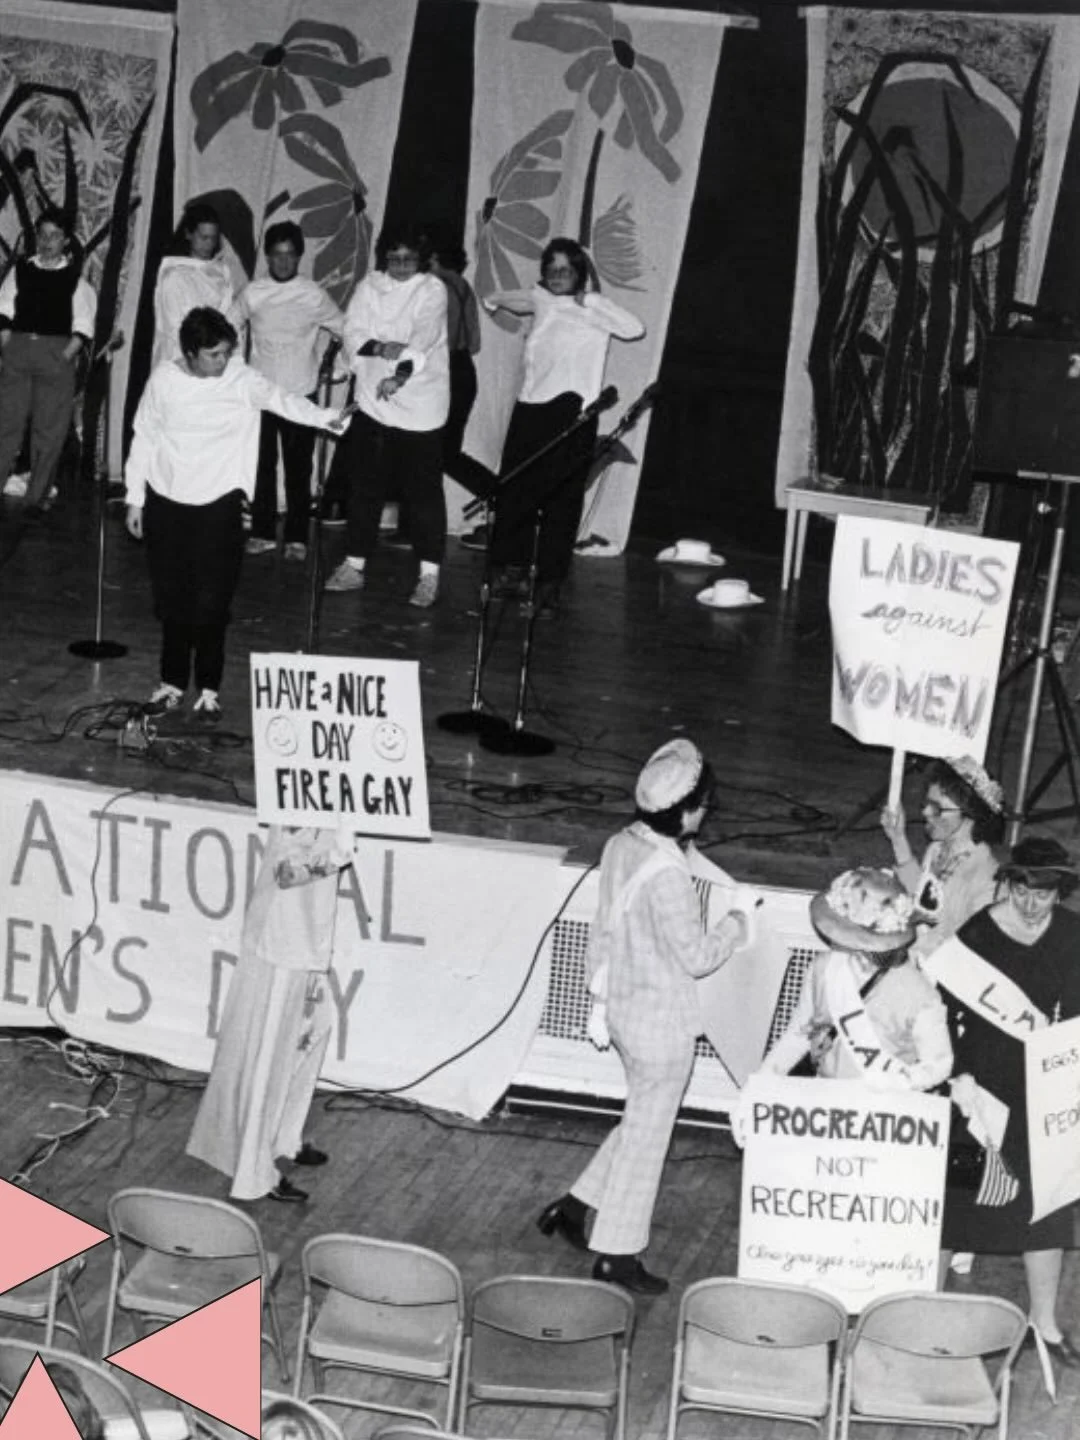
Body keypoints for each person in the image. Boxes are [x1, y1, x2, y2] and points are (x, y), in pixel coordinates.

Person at [538, 738, 748, 1294]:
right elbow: (698, 957)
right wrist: (737, 925)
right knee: (649, 1140)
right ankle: (617, 1253)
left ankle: (576, 1206)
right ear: (686, 810)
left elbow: (604, 923)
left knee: (640, 1122)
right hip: (662, 1026)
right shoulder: (669, 874)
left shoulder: (619, 845)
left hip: (623, 1013)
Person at [124, 307, 351, 722]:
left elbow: (283, 401)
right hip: (167, 501)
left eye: (227, 352)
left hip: (220, 504)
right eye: (213, 355)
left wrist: (327, 418)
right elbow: (144, 435)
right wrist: (134, 497)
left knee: (212, 601)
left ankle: (209, 688)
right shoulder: (164, 379)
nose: (222, 361)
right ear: (190, 353)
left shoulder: (240, 378)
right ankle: (171, 682)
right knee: (173, 600)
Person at [923, 836, 1080, 1369]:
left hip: (1043, 1090)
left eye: (1046, 894)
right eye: (1023, 891)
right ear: (1008, 884)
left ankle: (1046, 1325)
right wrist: (957, 1076)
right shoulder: (976, 936)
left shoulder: (1073, 935)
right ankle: (920, 1311)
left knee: (1050, 1207)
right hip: (978, 1090)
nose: (1033, 905)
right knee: (954, 1201)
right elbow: (940, 1013)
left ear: (1060, 893)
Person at [188, 824, 354, 1203]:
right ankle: (254, 1173)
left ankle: (284, 1138)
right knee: (270, 1057)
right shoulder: (299, 800)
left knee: (312, 1031)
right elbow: (287, 871)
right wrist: (336, 857)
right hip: (281, 945)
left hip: (305, 939)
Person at [483, 238, 644, 616]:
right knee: (514, 489)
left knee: (561, 501)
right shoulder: (542, 300)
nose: (557, 277)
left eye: (566, 270)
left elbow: (634, 329)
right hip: (529, 407)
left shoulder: (591, 307)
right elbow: (511, 297)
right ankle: (513, 572)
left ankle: (549, 586)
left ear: (579, 274)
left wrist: (589, 300)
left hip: (572, 410)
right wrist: (494, 300)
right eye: (551, 270)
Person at [324, 223, 449, 608]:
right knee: (365, 488)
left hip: (420, 405)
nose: (399, 266)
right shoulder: (369, 286)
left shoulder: (432, 290)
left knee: (423, 496)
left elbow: (423, 339)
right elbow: (353, 331)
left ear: (422, 260)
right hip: (373, 402)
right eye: (393, 258)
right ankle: (353, 564)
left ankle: (429, 576)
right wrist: (379, 348)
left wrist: (399, 375)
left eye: (408, 259)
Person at [757, 867, 953, 1090]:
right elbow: (798, 1035)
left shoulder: (918, 992)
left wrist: (893, 1083)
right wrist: (761, 1085)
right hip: (825, 1098)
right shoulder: (823, 967)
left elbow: (938, 1065)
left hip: (883, 1110)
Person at [237, 221, 344, 562]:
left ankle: (298, 536)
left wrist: (339, 367)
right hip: (261, 394)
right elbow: (226, 327)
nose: (283, 262)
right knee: (262, 465)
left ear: (299, 257)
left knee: (299, 469)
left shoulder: (313, 293)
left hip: (300, 393)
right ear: (267, 256)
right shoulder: (253, 292)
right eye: (277, 255)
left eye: (290, 255)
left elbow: (347, 329)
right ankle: (263, 531)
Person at [0, 208, 97, 512]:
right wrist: (8, 346)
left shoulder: (76, 282)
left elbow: (83, 328)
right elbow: (3, 310)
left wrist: (63, 358)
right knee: (6, 424)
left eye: (55, 236)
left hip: (55, 357)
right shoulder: (20, 271)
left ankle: (36, 496)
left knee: (48, 430)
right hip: (18, 352)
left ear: (66, 240)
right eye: (42, 235)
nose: (47, 241)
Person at [881, 755, 1005, 958]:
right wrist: (898, 839)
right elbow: (921, 896)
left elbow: (971, 955)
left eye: (938, 808)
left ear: (970, 814)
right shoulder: (937, 849)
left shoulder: (987, 880)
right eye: (927, 803)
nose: (927, 812)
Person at [152, 202, 238, 367]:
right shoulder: (174, 276)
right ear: (188, 234)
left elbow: (230, 320)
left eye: (213, 238)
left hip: (218, 358)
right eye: (203, 237)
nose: (208, 244)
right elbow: (174, 331)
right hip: (185, 359)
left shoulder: (223, 273)